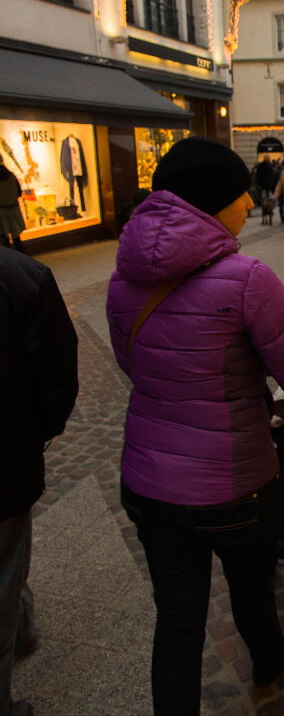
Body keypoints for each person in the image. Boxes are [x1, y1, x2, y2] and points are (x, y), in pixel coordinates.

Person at [107, 137, 284, 714]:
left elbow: (134, 366)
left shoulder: (124, 275)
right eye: (241, 192)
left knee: (178, 621)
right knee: (252, 587)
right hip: (234, 486)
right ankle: (269, 658)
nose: (250, 200)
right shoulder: (247, 278)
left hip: (148, 481)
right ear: (214, 203)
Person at [1, 248, 78, 716]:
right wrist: (37, 432)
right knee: (7, 562)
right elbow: (57, 375)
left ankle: (22, 619)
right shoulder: (22, 277)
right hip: (6, 460)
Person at [0, 157, 26, 252]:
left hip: (2, 211)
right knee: (16, 237)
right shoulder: (11, 175)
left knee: (4, 239)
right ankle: (22, 258)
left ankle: (9, 261)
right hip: (14, 209)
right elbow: (19, 192)